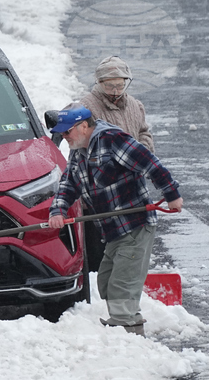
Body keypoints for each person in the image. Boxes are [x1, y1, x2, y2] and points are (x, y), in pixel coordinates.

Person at [47, 107, 183, 337]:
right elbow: (69, 184)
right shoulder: (78, 151)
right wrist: (58, 210)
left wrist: (172, 195)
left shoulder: (112, 140)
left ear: (83, 126)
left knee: (122, 283)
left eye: (67, 132)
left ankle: (128, 332)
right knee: (106, 280)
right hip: (112, 230)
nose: (64, 137)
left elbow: (151, 164)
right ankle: (121, 328)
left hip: (135, 224)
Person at [78, 56, 154, 270]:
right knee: (102, 249)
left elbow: (143, 132)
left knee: (131, 242)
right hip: (100, 193)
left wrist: (142, 153)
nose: (115, 91)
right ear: (98, 83)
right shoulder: (86, 109)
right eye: (109, 86)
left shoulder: (135, 106)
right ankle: (100, 282)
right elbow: (83, 147)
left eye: (120, 85)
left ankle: (127, 277)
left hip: (131, 190)